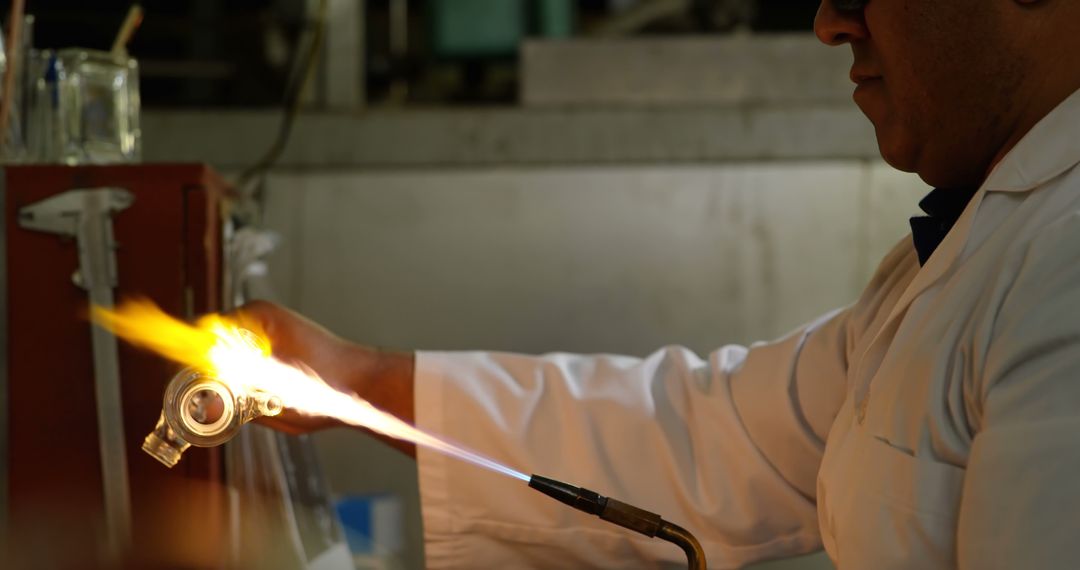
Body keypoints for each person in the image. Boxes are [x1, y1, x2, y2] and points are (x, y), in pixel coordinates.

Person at [243, 0, 1080, 567]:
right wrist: (347, 380)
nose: (830, 22)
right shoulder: (978, 241)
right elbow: (712, 432)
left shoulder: (1063, 272)